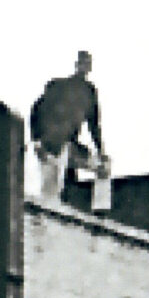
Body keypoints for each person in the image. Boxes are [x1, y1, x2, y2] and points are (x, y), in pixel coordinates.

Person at [31, 53, 109, 207]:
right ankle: (51, 216)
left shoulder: (88, 91)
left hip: (67, 145)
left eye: (87, 65)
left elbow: (94, 125)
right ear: (77, 65)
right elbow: (37, 111)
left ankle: (101, 207)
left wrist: (101, 151)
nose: (84, 68)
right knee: (50, 192)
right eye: (83, 64)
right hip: (53, 144)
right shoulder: (58, 86)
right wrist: (37, 141)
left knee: (102, 167)